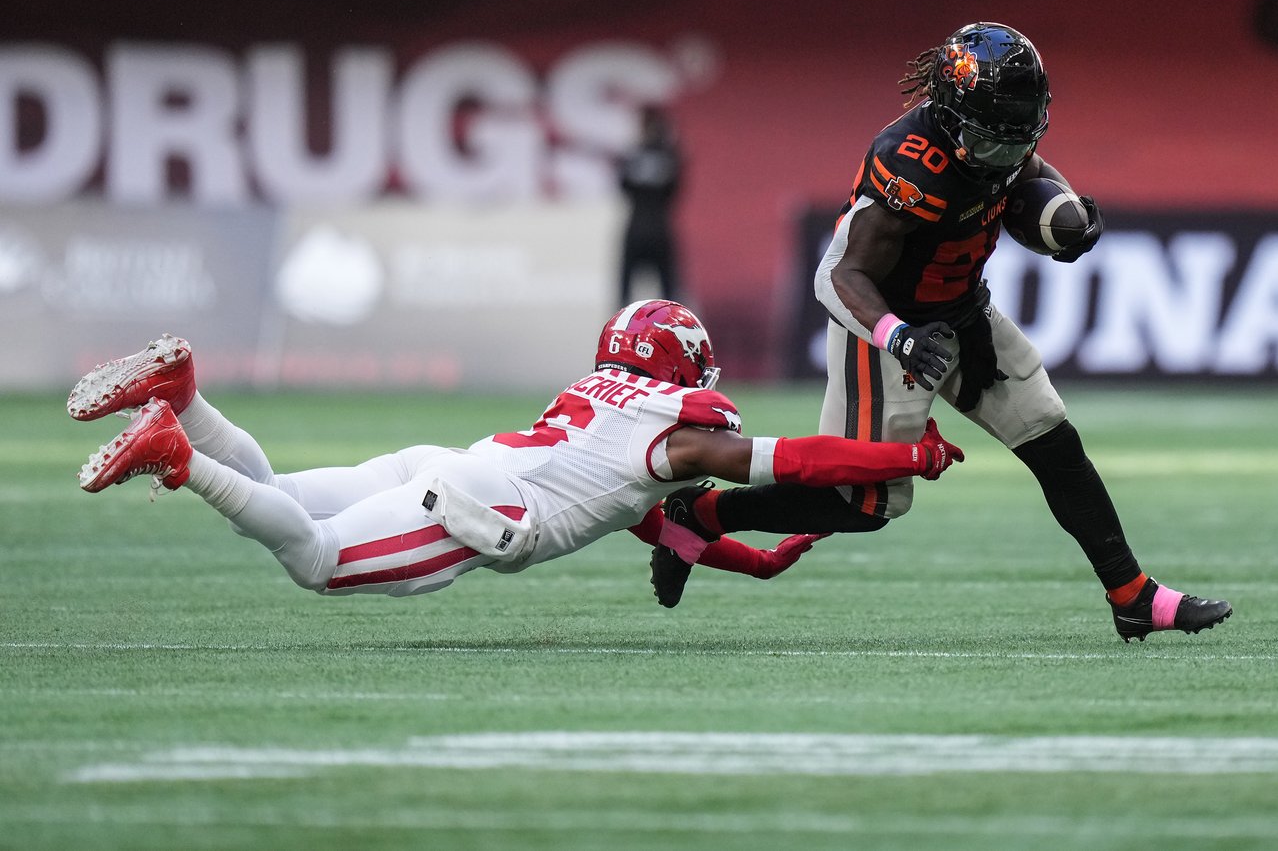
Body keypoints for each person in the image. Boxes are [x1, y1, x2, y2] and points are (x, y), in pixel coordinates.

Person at [653, 24, 1231, 642]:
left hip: (962, 313)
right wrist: (898, 335)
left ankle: (1133, 597)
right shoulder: (908, 164)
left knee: (1055, 444)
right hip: (886, 328)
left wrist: (1065, 214)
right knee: (864, 505)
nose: (1004, 158)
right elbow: (836, 274)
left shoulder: (998, 139)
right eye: (989, 142)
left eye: (1015, 142)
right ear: (952, 118)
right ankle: (704, 512)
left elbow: (1025, 167)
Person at [69, 300, 964, 600]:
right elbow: (800, 462)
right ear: (681, 362)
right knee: (315, 559)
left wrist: (760, 563)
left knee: (281, 503)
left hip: (449, 465)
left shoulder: (594, 396)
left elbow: (658, 530)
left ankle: (188, 400)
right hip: (482, 508)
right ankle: (179, 456)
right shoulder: (680, 429)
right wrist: (906, 459)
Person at [617, 106, 683, 306]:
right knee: (666, 295)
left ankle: (624, 334)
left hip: (643, 228)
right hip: (654, 228)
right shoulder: (668, 156)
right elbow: (674, 189)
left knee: (661, 294)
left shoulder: (635, 155)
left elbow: (624, 186)